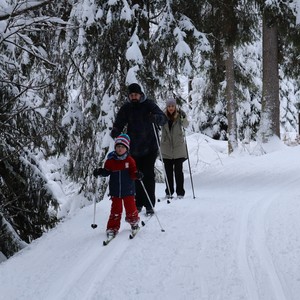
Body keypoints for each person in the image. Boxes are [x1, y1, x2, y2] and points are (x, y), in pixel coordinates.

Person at [110, 83, 167, 215]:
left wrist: (155, 118)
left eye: (135, 95)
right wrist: (116, 130)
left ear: (140, 94)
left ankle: (149, 204)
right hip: (134, 147)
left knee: (147, 174)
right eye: (131, 95)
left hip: (150, 146)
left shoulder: (149, 104)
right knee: (135, 174)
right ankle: (138, 202)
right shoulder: (127, 108)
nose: (134, 97)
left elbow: (163, 119)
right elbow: (119, 122)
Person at [93, 134, 143, 237]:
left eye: (122, 147)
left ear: (126, 148)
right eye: (118, 147)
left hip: (128, 190)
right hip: (115, 191)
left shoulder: (130, 160)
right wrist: (100, 172)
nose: (120, 149)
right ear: (115, 147)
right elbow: (106, 172)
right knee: (115, 210)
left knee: (131, 208)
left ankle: (134, 223)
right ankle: (112, 227)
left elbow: (133, 174)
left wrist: (137, 175)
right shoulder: (111, 161)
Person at [160, 98, 189, 199]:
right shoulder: (163, 116)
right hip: (166, 147)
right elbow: (158, 124)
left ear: (175, 106)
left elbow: (186, 125)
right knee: (168, 172)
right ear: (167, 107)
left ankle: (180, 192)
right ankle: (169, 192)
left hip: (178, 148)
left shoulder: (180, 115)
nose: (171, 108)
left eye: (172, 106)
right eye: (169, 106)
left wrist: (184, 117)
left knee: (178, 172)